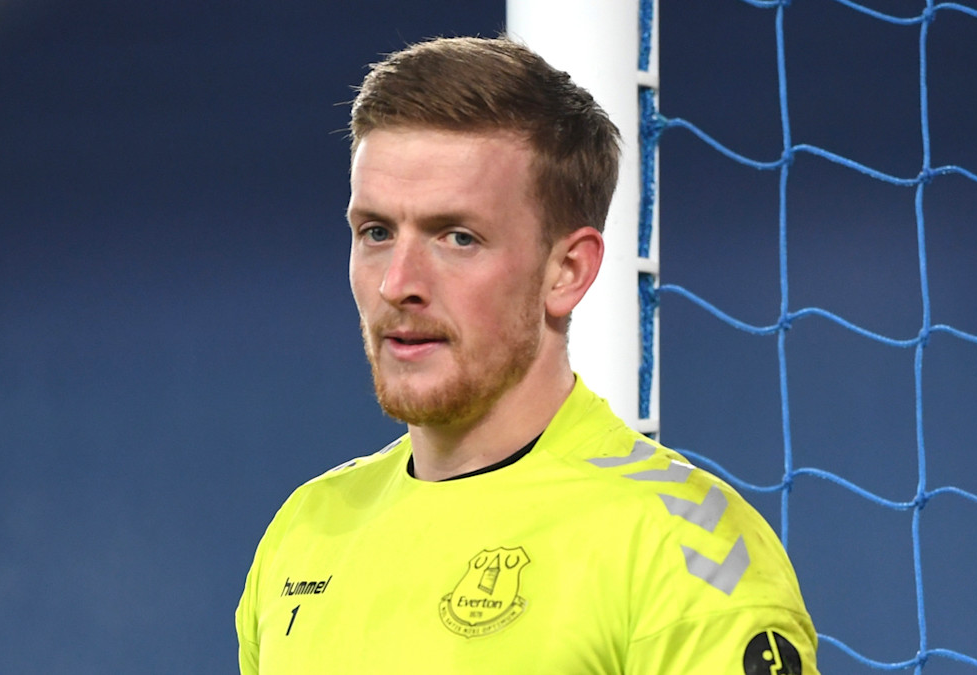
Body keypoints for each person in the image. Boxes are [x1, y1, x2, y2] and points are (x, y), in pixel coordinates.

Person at [236, 36, 818, 674]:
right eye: (376, 232)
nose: (396, 283)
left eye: (457, 237)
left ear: (567, 271)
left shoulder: (685, 549)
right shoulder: (307, 530)